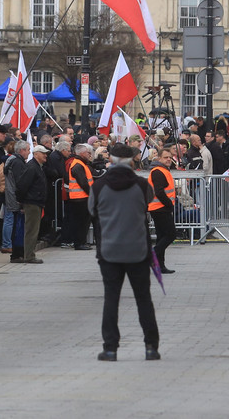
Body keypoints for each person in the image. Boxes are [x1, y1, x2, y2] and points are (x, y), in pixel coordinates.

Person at [89, 142, 160, 362]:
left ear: (110, 160)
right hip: (137, 249)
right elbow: (147, 203)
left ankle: (110, 348)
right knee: (143, 299)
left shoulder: (99, 186)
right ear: (132, 161)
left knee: (111, 299)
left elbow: (92, 210)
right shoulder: (141, 184)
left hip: (109, 249)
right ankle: (151, 346)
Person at [13, 144, 49, 264]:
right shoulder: (32, 167)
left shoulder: (37, 166)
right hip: (32, 202)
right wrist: (22, 201)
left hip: (35, 202)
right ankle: (29, 255)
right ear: (36, 154)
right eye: (43, 153)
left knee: (33, 230)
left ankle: (29, 254)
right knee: (31, 230)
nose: (45, 155)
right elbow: (22, 185)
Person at [147, 147, 177, 273]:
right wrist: (169, 204)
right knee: (171, 234)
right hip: (160, 208)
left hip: (160, 207)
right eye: (166, 157)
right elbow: (159, 191)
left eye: (170, 157)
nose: (169, 159)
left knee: (161, 236)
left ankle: (159, 265)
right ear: (159, 158)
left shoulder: (162, 170)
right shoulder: (158, 171)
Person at [65, 142, 96, 251]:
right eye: (88, 153)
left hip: (80, 197)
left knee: (82, 221)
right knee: (81, 222)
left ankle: (80, 242)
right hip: (80, 198)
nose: (89, 155)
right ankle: (79, 243)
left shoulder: (79, 164)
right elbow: (83, 183)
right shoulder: (78, 165)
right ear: (82, 153)